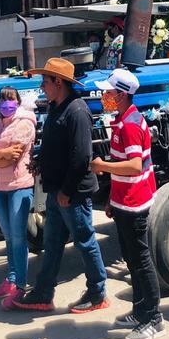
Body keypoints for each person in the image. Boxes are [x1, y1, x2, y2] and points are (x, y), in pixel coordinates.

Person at [11, 58, 108, 314]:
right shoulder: (56, 107)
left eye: (45, 81)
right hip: (57, 191)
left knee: (85, 241)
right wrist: (40, 161)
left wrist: (66, 191)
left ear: (58, 82)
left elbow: (80, 157)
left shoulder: (76, 111)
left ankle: (98, 293)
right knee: (52, 243)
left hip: (71, 193)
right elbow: (57, 147)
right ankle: (43, 293)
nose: (42, 86)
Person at [91, 69, 165, 339]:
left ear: (121, 95)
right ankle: (140, 310)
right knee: (132, 260)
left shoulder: (130, 125)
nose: (103, 96)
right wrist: (112, 200)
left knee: (141, 262)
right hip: (124, 201)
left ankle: (154, 319)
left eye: (107, 92)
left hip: (135, 204)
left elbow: (134, 166)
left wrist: (102, 166)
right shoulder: (122, 120)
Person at [0, 88, 36, 308]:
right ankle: (11, 278)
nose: (6, 103)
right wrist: (0, 155)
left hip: (18, 185)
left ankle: (20, 284)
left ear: (18, 102)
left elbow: (15, 157)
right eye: (2, 99)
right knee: (8, 236)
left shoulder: (24, 123)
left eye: (10, 99)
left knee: (19, 236)